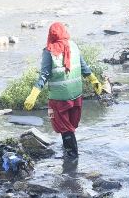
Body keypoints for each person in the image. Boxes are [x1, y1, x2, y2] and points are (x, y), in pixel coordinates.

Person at [23, 22, 104, 160]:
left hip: (58, 99)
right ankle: (70, 150)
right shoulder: (73, 45)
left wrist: (33, 95)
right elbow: (84, 67)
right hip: (76, 96)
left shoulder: (49, 51)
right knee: (70, 126)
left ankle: (71, 156)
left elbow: (44, 75)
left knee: (62, 126)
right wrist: (94, 80)